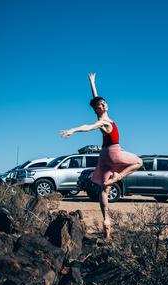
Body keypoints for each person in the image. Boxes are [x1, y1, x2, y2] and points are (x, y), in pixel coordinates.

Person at [60, 73, 142, 240]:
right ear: (98, 109)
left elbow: (96, 99)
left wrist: (92, 83)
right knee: (139, 162)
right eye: (101, 105)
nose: (104, 105)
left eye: (104, 103)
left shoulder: (101, 115)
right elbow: (89, 126)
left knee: (104, 190)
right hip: (113, 152)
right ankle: (117, 176)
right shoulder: (103, 121)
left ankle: (106, 222)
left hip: (103, 156)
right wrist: (73, 130)